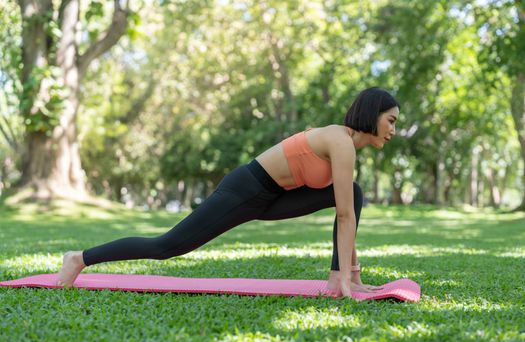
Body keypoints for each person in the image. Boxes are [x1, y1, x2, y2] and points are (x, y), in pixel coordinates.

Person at [57, 87, 400, 297]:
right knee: (168, 246)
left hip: (276, 197)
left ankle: (336, 279)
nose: (393, 130)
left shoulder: (346, 147)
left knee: (352, 193)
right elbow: (343, 217)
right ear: (372, 115)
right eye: (392, 121)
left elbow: (346, 210)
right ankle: (79, 258)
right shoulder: (340, 141)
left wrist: (350, 275)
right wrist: (348, 275)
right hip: (246, 190)